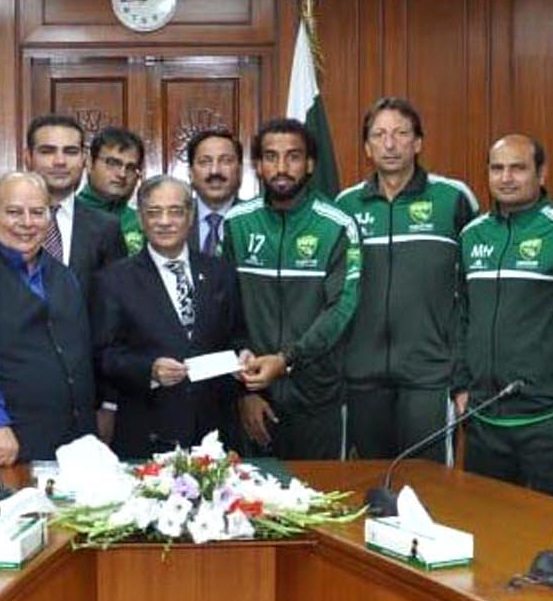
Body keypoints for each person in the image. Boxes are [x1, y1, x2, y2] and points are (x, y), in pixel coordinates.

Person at [455, 135, 553, 501]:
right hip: (483, 421)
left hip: (549, 421)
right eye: (497, 168)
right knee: (488, 528)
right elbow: (459, 317)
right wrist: (460, 388)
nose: (506, 178)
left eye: (518, 168)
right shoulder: (471, 236)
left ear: (541, 173)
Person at [335, 98, 478, 461]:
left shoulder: (453, 198)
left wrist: (462, 369)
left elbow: (476, 289)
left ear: (418, 143)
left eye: (401, 133)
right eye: (379, 135)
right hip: (362, 376)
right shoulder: (345, 205)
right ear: (367, 147)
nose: (390, 144)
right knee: (369, 480)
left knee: (429, 483)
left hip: (429, 375)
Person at [225, 118, 361, 460]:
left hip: (319, 398)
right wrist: (244, 393)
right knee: (254, 493)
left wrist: (287, 359)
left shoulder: (337, 225)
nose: (282, 167)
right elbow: (224, 311)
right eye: (271, 157)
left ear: (310, 164)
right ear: (258, 166)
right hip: (256, 396)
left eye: (293, 156)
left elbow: (341, 308)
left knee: (320, 492)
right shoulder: (237, 223)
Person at [0, 171, 97, 464]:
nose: (27, 223)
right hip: (6, 444)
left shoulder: (64, 276)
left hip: (76, 444)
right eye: (14, 212)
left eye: (38, 212)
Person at [93, 175, 246, 458]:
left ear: (190, 217)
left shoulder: (220, 273)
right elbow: (103, 356)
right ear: (141, 219)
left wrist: (244, 355)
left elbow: (237, 336)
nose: (164, 221)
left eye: (175, 211)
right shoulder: (114, 280)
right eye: (154, 212)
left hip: (213, 432)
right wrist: (148, 370)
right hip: (148, 431)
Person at [25, 114, 125, 299]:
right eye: (47, 151)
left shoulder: (106, 228)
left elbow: (115, 302)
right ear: (28, 157)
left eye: (70, 152)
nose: (60, 161)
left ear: (83, 159)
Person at [77, 126, 147, 255]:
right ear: (89, 163)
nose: (122, 174)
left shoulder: (141, 222)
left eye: (130, 167)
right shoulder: (68, 215)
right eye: (113, 163)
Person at [186, 127, 243, 257]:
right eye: (205, 162)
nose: (215, 171)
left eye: (226, 161)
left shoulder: (254, 220)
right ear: (190, 173)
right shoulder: (175, 219)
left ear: (239, 171)